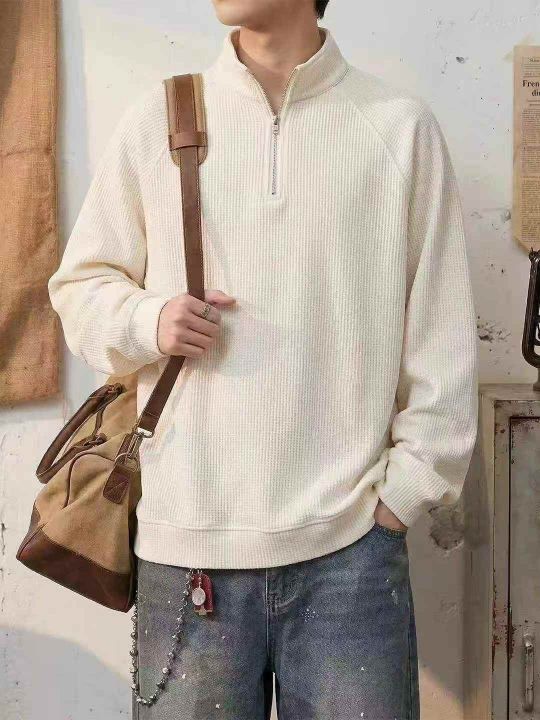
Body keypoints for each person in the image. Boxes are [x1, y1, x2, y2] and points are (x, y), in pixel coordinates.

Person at [48, 0, 479, 718]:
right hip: (188, 547)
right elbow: (78, 290)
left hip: (352, 553)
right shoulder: (161, 116)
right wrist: (150, 319)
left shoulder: (399, 128)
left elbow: (443, 336)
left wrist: (405, 497)